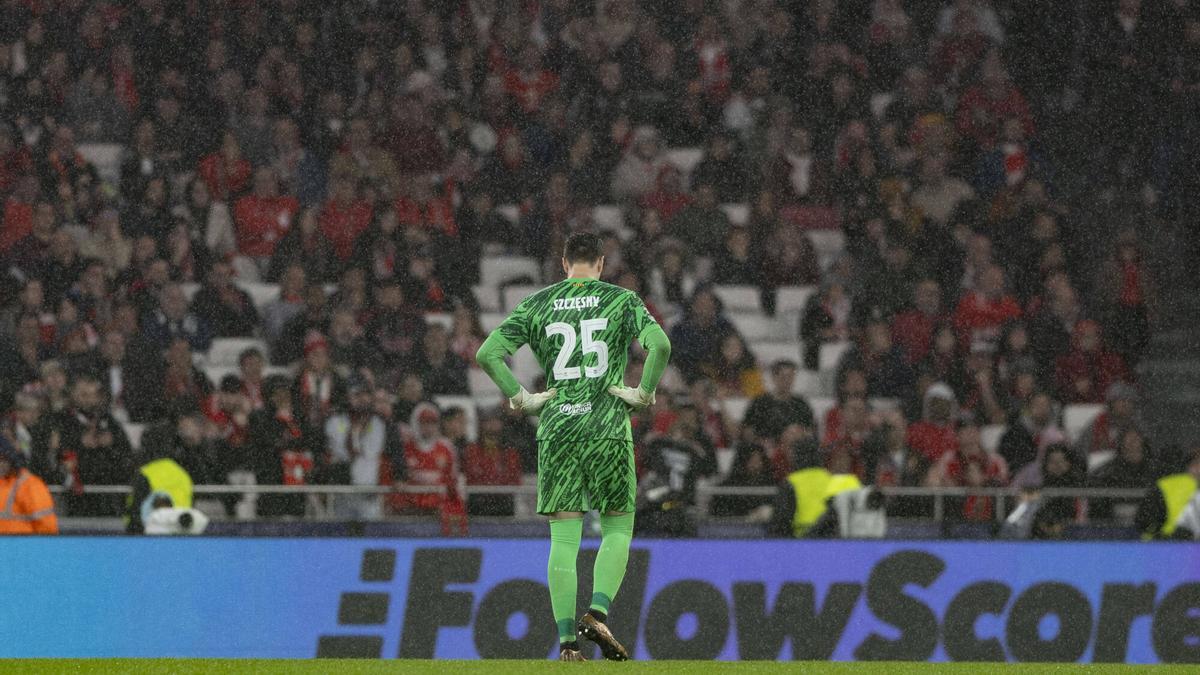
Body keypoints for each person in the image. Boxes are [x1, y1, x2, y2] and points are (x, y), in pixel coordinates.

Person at [475, 231, 671, 662]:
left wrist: (520, 397)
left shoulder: (539, 303)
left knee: (563, 540)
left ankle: (566, 645)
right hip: (606, 426)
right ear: (600, 264)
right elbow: (660, 345)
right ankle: (598, 611)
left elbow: (488, 353)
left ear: (565, 265)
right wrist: (645, 391)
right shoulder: (622, 300)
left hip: (559, 426)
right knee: (618, 527)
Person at [125, 420, 195, 534]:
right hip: (179, 537)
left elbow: (135, 513)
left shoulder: (146, 473)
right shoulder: (183, 474)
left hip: (151, 537)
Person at [741, 360, 815, 448]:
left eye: (790, 376)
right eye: (783, 376)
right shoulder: (759, 403)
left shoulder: (801, 404)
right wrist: (760, 442)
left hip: (792, 451)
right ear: (773, 377)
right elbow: (747, 431)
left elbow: (809, 432)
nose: (787, 380)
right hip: (765, 450)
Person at [1136, 445, 1200, 540]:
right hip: (1164, 548)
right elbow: (1145, 522)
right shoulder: (1166, 487)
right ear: (1189, 466)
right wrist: (1170, 537)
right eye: (1196, 463)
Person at [0, 434, 58, 534]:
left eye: (2, 459)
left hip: (22, 547)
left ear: (10, 459)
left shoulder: (30, 485)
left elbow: (47, 528)